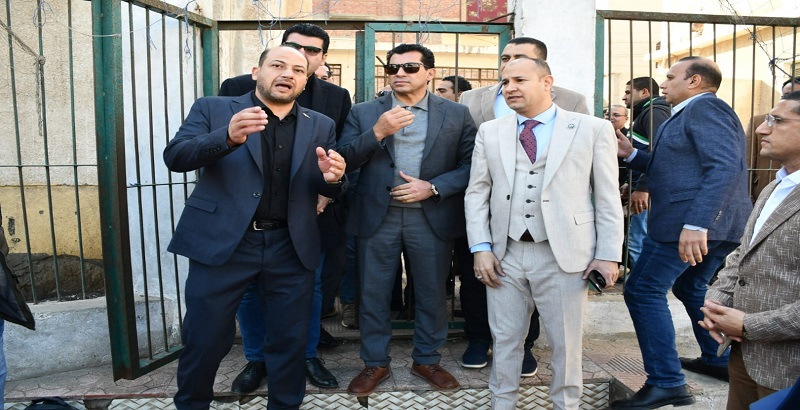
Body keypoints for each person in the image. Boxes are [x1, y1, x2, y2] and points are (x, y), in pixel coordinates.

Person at [165, 45, 347, 410]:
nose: (287, 74)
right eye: (277, 65)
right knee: (204, 338)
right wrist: (226, 137)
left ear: (305, 81)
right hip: (225, 243)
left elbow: (325, 183)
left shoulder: (320, 124)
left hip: (291, 245)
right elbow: (177, 156)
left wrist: (333, 180)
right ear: (256, 72)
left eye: (298, 70)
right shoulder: (214, 108)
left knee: (289, 341)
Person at [465, 57, 623, 410]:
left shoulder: (592, 128)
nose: (510, 88)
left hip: (565, 254)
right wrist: (481, 247)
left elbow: (607, 196)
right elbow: (477, 193)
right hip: (505, 254)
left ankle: (566, 405)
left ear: (547, 82)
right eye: (505, 82)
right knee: (505, 340)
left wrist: (608, 254)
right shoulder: (491, 131)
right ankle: (501, 405)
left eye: (519, 80)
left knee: (566, 344)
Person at [611, 56, 752, 409]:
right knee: (690, 286)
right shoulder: (687, 113)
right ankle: (717, 359)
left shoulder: (706, 109)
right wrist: (632, 154)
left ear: (694, 82)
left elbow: (723, 167)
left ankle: (666, 382)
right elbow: (676, 167)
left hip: (688, 225)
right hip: (711, 225)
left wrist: (696, 223)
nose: (663, 83)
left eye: (671, 77)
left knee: (642, 290)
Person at [218, 23, 353, 392]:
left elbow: (339, 153)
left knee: (309, 286)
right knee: (250, 290)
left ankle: (307, 354)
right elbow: (219, 147)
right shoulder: (235, 88)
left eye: (312, 51)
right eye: (294, 47)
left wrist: (328, 190)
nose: (302, 56)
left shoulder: (336, 97)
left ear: (322, 58)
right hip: (248, 216)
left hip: (310, 212)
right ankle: (256, 358)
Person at [339, 43, 476, 397]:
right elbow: (344, 159)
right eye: (393, 68)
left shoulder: (456, 114)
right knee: (373, 294)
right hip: (377, 217)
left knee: (432, 293)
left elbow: (471, 165)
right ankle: (375, 363)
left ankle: (427, 360)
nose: (399, 73)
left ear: (430, 73)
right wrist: (377, 132)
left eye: (410, 67)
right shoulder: (364, 112)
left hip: (431, 217)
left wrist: (432, 187)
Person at [457, 36, 590, 375]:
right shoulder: (472, 98)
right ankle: (477, 338)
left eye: (518, 58)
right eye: (505, 58)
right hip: (484, 206)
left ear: (542, 69)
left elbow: (581, 160)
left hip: (544, 218)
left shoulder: (572, 101)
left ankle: (526, 345)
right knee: (477, 277)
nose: (509, 65)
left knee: (534, 284)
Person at [698, 91, 800, 410]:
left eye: (776, 120)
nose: (761, 129)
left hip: (789, 371)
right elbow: (743, 256)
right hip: (745, 357)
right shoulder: (775, 186)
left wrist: (747, 325)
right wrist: (716, 304)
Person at [618, 77, 671, 267]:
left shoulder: (655, 113)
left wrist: (643, 187)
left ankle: (641, 279)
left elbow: (659, 152)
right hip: (644, 187)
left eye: (628, 92)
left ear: (645, 92)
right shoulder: (647, 112)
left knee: (637, 240)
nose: (624, 97)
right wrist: (630, 182)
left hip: (650, 190)